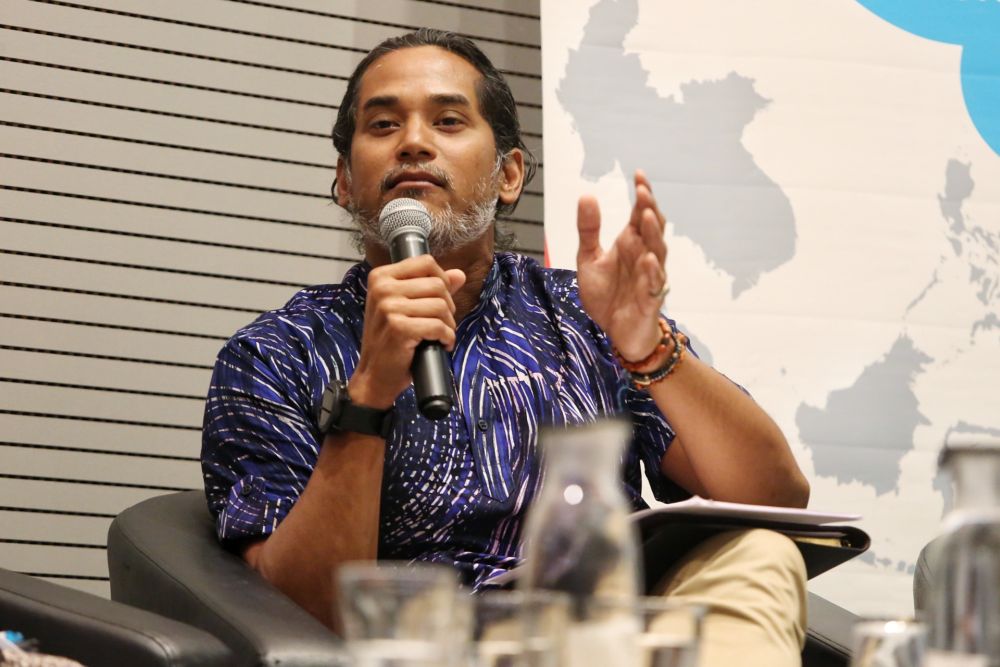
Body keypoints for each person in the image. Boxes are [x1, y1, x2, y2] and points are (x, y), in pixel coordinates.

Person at [201, 28, 811, 666]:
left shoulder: (583, 315)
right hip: (425, 648)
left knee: (759, 551)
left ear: (509, 175)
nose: (413, 142)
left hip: (603, 634)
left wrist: (649, 350)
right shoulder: (272, 355)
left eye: (447, 120)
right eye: (382, 125)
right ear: (346, 183)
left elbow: (774, 498)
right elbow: (299, 611)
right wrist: (369, 396)